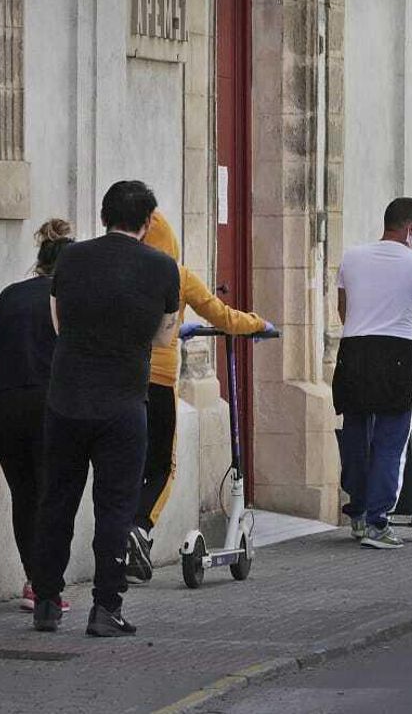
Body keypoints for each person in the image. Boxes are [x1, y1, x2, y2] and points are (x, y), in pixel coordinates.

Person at [32, 181, 180, 637]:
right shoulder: (162, 267)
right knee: (114, 506)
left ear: (103, 216)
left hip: (67, 397)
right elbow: (163, 336)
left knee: (56, 500)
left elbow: (57, 322)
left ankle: (46, 602)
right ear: (148, 220)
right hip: (123, 400)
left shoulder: (72, 258)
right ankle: (106, 606)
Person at [129, 210, 270, 577]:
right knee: (162, 465)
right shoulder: (177, 274)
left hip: (120, 378)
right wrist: (258, 323)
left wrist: (180, 329)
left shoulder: (124, 270)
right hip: (157, 380)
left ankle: (122, 542)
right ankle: (139, 527)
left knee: (126, 464)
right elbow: (222, 315)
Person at [333, 197, 412, 549]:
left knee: (356, 434)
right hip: (396, 350)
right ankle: (378, 522)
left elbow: (343, 308)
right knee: (391, 440)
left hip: (354, 348)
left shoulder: (352, 257)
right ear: (410, 228)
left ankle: (359, 512)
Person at [0, 219, 74, 617]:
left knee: (24, 494)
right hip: (47, 403)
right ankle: (47, 587)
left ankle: (34, 581)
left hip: (3, 404)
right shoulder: (68, 299)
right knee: (53, 496)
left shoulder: (10, 295)